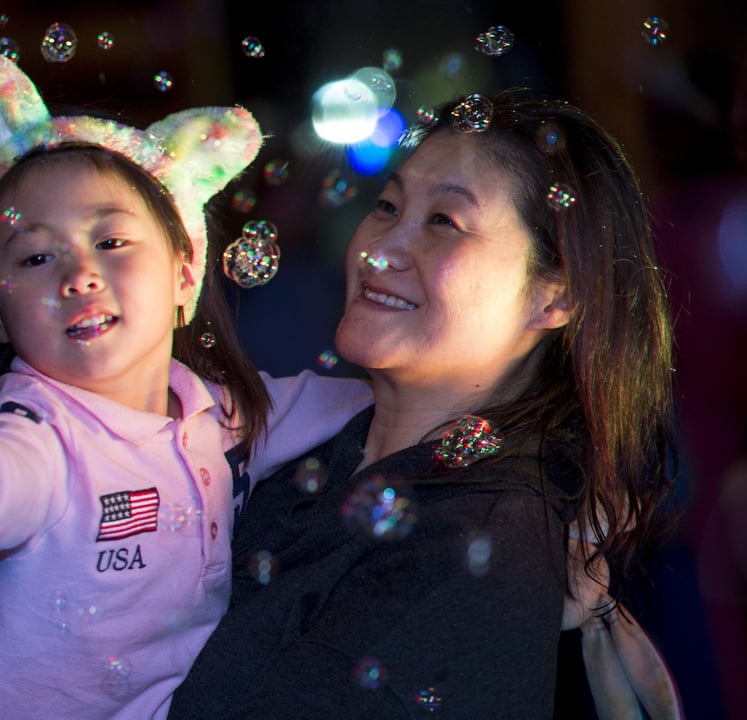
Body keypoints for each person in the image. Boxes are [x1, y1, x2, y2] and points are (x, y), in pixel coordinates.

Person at [0, 46, 369, 720]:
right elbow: (17, 479)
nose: (78, 275)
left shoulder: (216, 413)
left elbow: (345, 403)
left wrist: (453, 389)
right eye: (38, 255)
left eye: (111, 242)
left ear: (185, 277)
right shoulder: (38, 426)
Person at [169, 91, 681, 718]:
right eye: (387, 205)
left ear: (555, 299)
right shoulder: (308, 442)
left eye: (445, 222)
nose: (379, 249)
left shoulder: (469, 549)